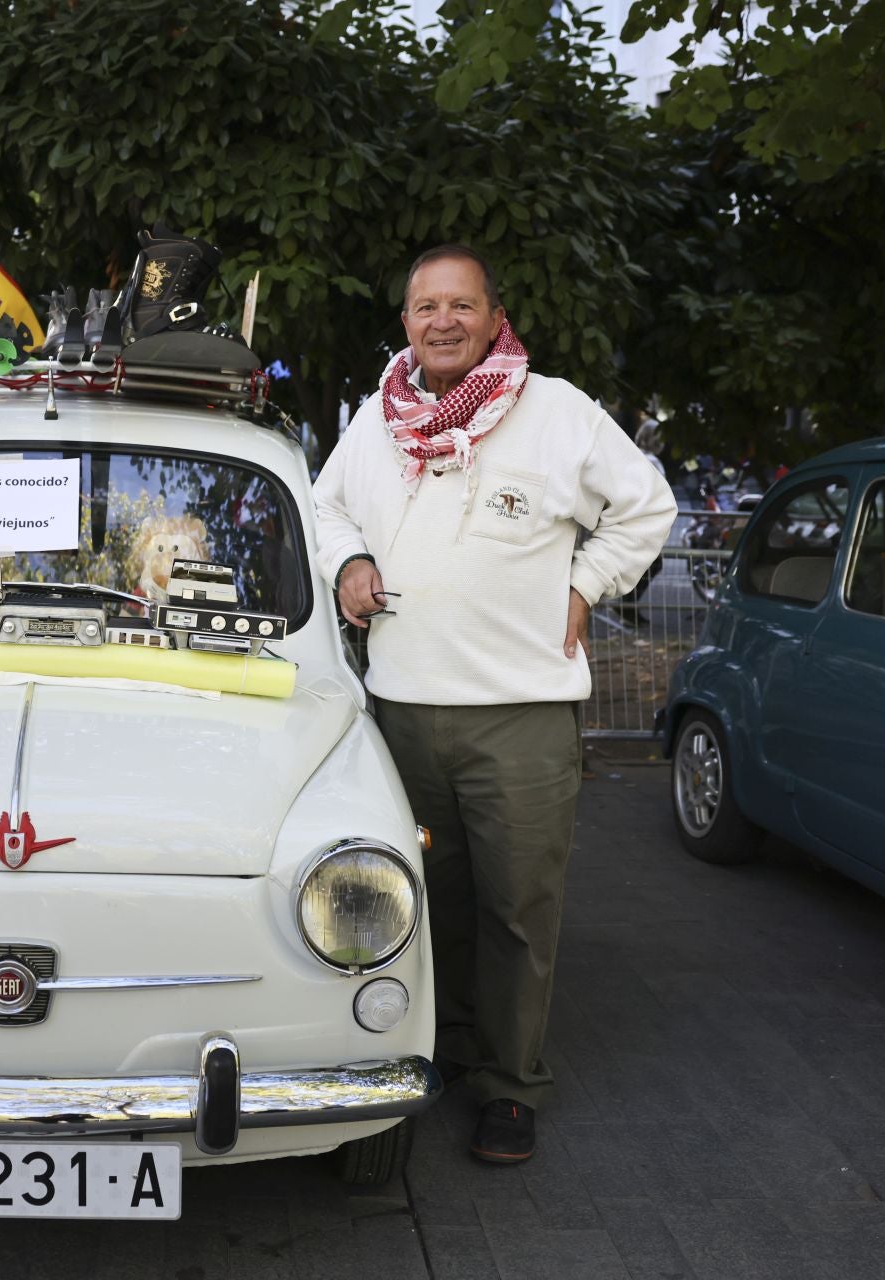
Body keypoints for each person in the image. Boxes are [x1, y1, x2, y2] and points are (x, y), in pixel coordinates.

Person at [312, 245, 674, 1163]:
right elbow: (326, 508)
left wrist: (588, 584)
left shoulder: (555, 411)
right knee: (426, 904)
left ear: (491, 314)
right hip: (401, 711)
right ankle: (439, 1051)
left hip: (520, 714)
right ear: (405, 321)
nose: (443, 321)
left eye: (461, 305)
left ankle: (512, 1086)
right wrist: (350, 563)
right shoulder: (380, 415)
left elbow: (647, 506)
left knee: (519, 909)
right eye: (426, 306)